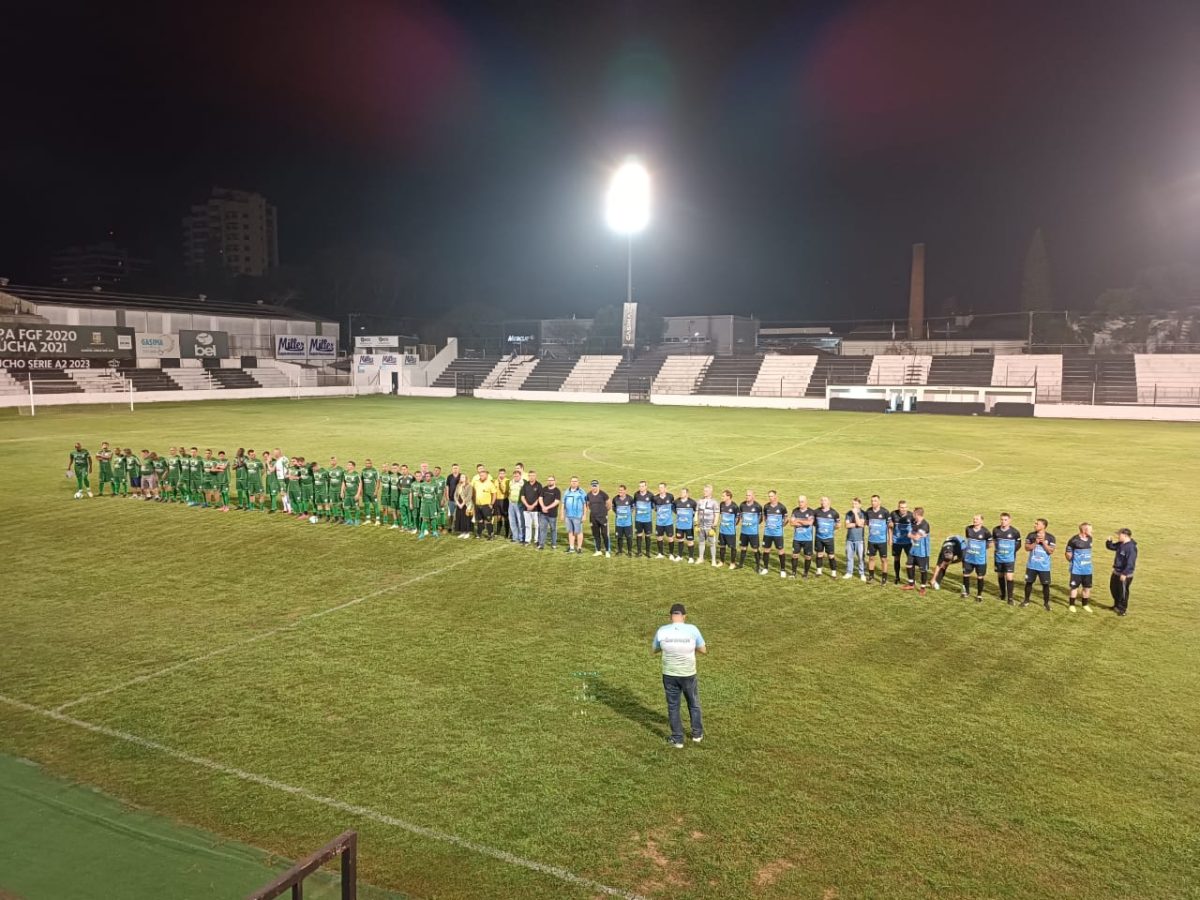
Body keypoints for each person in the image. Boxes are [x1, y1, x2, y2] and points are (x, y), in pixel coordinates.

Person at [652, 603, 706, 749]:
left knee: (673, 706)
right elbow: (703, 649)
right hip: (688, 673)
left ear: (670, 617)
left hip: (669, 674)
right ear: (684, 616)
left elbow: (655, 649)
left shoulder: (662, 631)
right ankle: (697, 734)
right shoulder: (692, 629)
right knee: (693, 703)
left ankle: (677, 739)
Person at [1022, 518, 1056, 611]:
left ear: (1043, 526)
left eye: (1037, 524)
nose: (1035, 525)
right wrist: (1035, 543)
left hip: (1044, 567)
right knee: (1028, 583)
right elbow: (1027, 548)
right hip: (1031, 565)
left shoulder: (1051, 537)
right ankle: (1026, 600)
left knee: (1045, 585)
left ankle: (1046, 604)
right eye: (1035, 523)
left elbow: (1050, 551)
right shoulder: (1031, 535)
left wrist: (1043, 543)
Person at [1105, 528, 1137, 616]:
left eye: (1119, 535)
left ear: (1125, 535)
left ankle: (1122, 609)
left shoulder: (1131, 548)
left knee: (1123, 592)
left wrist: (1124, 573)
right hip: (1116, 572)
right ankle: (1116, 605)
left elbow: (1131, 563)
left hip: (1124, 574)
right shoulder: (1121, 544)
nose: (1118, 536)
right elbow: (1112, 547)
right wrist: (1109, 542)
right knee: (1114, 589)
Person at [992, 512, 1021, 604]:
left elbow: (1019, 544)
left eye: (1005, 520)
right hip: (998, 558)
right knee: (1000, 575)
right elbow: (994, 541)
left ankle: (1010, 598)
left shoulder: (1015, 532)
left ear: (1009, 521)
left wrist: (1011, 552)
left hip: (1009, 559)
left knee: (1009, 577)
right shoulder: (996, 530)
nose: (1003, 522)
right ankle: (1003, 594)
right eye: (1002, 519)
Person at [961, 514, 992, 600]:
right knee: (966, 574)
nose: (975, 521)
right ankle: (966, 592)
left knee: (980, 577)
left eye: (977, 519)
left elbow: (990, 544)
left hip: (980, 559)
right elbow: (968, 540)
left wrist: (981, 549)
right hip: (968, 558)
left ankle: (979, 595)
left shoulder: (986, 532)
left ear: (981, 521)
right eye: (974, 519)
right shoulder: (968, 529)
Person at [1065, 522, 1095, 613]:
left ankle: (1085, 605)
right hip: (1076, 569)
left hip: (1088, 569)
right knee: (1074, 588)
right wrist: (1072, 561)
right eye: (1090, 529)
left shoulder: (1090, 539)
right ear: (1084, 530)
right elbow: (1068, 553)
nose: (1092, 531)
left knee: (1087, 588)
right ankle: (1072, 605)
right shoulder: (1074, 540)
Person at [761, 490, 788, 577]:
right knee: (766, 550)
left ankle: (783, 570)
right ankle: (765, 568)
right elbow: (765, 517)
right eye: (769, 496)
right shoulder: (766, 506)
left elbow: (786, 519)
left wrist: (781, 526)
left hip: (778, 534)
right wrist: (769, 525)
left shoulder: (782, 507)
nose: (770, 498)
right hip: (768, 533)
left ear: (776, 496)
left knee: (780, 550)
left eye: (772, 496)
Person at [905, 507, 932, 595]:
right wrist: (911, 534)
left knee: (922, 570)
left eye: (913, 514)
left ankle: (923, 587)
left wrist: (910, 535)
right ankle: (911, 584)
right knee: (909, 565)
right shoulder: (914, 522)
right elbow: (910, 533)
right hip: (913, 549)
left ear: (916, 514)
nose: (913, 515)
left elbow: (916, 536)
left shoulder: (925, 525)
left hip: (922, 551)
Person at [865, 495, 890, 584]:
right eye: (872, 501)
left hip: (882, 541)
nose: (873, 502)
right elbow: (867, 523)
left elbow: (889, 526)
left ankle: (884, 578)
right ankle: (871, 576)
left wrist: (890, 538)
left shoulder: (885, 512)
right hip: (871, 540)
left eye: (875, 501)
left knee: (884, 559)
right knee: (871, 558)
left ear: (879, 502)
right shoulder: (868, 511)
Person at [737, 489, 764, 573]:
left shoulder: (758, 506)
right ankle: (740, 564)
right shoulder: (742, 505)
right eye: (746, 495)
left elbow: (761, 519)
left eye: (749, 495)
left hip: (753, 533)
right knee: (743, 548)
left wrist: (753, 525)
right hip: (744, 532)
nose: (747, 497)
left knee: (755, 549)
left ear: (753, 496)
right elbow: (740, 515)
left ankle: (758, 566)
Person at [889, 500, 914, 587]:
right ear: (898, 507)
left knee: (910, 560)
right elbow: (890, 527)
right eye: (901, 507)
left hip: (908, 542)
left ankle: (911, 579)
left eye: (904, 507)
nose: (903, 509)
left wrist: (914, 539)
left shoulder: (911, 515)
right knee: (896, 559)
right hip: (897, 542)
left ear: (907, 507)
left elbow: (915, 528)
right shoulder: (893, 514)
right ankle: (897, 577)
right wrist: (890, 539)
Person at [789, 495, 815, 578]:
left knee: (807, 557)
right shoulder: (795, 511)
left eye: (802, 501)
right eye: (799, 501)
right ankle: (793, 573)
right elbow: (792, 523)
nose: (800, 503)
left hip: (807, 539)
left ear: (806, 502)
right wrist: (803, 521)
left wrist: (798, 520)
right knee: (794, 555)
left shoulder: (811, 512)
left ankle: (805, 573)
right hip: (797, 538)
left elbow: (809, 523)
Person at [814, 496, 840, 577]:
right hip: (819, 537)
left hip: (829, 538)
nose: (822, 502)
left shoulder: (834, 513)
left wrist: (831, 530)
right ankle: (819, 571)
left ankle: (833, 572)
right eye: (821, 500)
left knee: (831, 555)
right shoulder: (816, 511)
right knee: (819, 554)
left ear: (829, 502)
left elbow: (838, 524)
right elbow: (813, 522)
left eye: (824, 500)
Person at [696, 484, 720, 568]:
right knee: (701, 542)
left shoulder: (714, 502)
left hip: (710, 527)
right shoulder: (699, 501)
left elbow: (717, 515)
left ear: (710, 492)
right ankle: (701, 558)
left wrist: (714, 526)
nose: (704, 492)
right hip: (701, 526)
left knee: (712, 544)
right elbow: (697, 512)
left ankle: (713, 560)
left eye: (706, 491)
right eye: (704, 490)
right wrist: (696, 524)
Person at [672, 486, 698, 563]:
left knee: (690, 541)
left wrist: (692, 517)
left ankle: (691, 557)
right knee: (680, 540)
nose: (681, 494)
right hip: (679, 525)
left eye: (683, 492)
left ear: (687, 494)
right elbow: (673, 507)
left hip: (689, 526)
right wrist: (677, 513)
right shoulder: (676, 501)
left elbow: (696, 511)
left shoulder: (692, 502)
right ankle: (679, 556)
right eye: (681, 492)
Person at [562, 476, 587, 554]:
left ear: (578, 483)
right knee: (570, 532)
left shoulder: (581, 492)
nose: (574, 482)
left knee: (578, 532)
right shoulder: (567, 491)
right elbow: (563, 503)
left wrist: (584, 515)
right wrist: (562, 514)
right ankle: (572, 547)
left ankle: (579, 548)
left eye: (575, 481)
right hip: (568, 515)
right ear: (570, 482)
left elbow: (585, 504)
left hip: (578, 516)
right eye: (572, 481)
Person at [843, 498, 866, 581]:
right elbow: (847, 525)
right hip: (849, 539)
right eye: (853, 504)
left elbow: (861, 524)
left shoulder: (863, 513)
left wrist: (856, 514)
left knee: (860, 557)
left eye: (856, 504)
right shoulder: (848, 513)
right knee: (849, 557)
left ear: (860, 505)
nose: (854, 505)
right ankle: (849, 572)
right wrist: (857, 523)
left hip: (860, 540)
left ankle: (862, 573)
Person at [472, 467, 498, 540]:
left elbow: (494, 494)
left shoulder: (490, 483)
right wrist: (474, 502)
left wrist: (491, 504)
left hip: (486, 506)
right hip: (477, 505)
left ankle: (491, 534)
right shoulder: (476, 482)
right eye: (480, 475)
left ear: (486, 475)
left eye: (483, 475)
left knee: (488, 520)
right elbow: (474, 492)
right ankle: (479, 534)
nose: (481, 476)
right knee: (479, 520)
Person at [587, 480, 611, 556]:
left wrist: (605, 512)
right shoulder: (589, 494)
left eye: (595, 486)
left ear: (598, 486)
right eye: (593, 486)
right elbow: (587, 504)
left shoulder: (603, 494)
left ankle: (607, 551)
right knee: (596, 534)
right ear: (591, 486)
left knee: (604, 534)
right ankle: (598, 550)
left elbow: (609, 503)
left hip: (602, 517)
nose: (594, 488)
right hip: (593, 518)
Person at [652, 482, 676, 559]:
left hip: (669, 522)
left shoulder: (670, 496)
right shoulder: (655, 498)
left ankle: (671, 554)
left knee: (670, 538)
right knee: (659, 537)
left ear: (665, 488)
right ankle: (660, 553)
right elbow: (655, 508)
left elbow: (673, 506)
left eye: (662, 488)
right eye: (659, 488)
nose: (660, 489)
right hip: (659, 522)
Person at [538, 475, 561, 550]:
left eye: (551, 480)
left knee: (553, 529)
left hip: (552, 514)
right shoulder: (544, 489)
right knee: (542, 529)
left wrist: (547, 507)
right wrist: (543, 507)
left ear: (554, 481)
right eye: (548, 480)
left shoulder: (557, 491)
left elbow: (556, 502)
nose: (549, 481)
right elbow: (540, 498)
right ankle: (541, 544)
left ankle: (554, 544)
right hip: (543, 514)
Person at [416, 471, 441, 538]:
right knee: (424, 519)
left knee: (433, 518)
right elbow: (419, 493)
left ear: (431, 477)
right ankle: (422, 533)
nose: (427, 477)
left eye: (429, 476)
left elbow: (436, 494)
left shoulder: (435, 485)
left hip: (432, 504)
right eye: (426, 476)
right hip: (425, 504)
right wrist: (419, 494)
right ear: (425, 477)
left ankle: (435, 532)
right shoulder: (422, 485)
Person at [612, 483, 635, 556]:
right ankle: (620, 551)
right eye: (619, 490)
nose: (620, 492)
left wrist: (627, 514)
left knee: (629, 537)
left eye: (621, 491)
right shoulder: (615, 499)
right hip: (619, 522)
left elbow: (633, 507)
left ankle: (629, 551)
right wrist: (619, 513)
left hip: (627, 523)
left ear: (625, 491)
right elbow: (614, 508)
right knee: (619, 537)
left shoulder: (630, 498)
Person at [521, 470, 542, 547]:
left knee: (536, 525)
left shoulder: (539, 485)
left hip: (536, 509)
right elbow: (522, 497)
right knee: (527, 525)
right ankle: (527, 540)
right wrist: (527, 505)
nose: (531, 477)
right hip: (526, 509)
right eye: (530, 475)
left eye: (533, 475)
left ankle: (536, 540)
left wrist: (532, 506)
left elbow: (540, 498)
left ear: (535, 476)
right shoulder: (525, 485)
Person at [717, 490, 738, 567]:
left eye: (723, 496)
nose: (722, 497)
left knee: (732, 547)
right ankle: (721, 562)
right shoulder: (721, 504)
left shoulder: (734, 506)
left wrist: (732, 525)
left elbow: (737, 517)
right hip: (722, 530)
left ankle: (732, 563)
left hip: (730, 532)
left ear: (728, 497)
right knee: (722, 546)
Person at [633, 480, 654, 557]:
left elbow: (653, 505)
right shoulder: (636, 494)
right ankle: (639, 552)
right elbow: (634, 504)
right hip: (638, 519)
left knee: (648, 535)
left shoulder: (650, 495)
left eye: (642, 486)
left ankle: (647, 552)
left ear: (646, 487)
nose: (640, 488)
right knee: (639, 535)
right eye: (639, 486)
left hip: (647, 520)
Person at [507, 466, 525, 543]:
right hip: (511, 503)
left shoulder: (523, 483)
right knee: (512, 521)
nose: (516, 477)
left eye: (517, 476)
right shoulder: (511, 482)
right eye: (514, 476)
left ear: (520, 476)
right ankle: (515, 537)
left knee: (520, 521)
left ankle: (521, 537)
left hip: (519, 504)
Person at [361, 459, 381, 525]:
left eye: (369, 463)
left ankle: (378, 520)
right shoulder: (363, 470)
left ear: (371, 464)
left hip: (372, 492)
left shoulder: (375, 471)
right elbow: (361, 481)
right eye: (366, 463)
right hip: (365, 492)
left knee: (375, 506)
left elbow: (378, 481)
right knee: (366, 505)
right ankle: (368, 519)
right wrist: (361, 490)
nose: (367, 465)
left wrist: (376, 491)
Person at [446, 463, 463, 533]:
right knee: (451, 514)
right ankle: (450, 527)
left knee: (460, 514)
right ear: (452, 469)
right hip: (451, 499)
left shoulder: (462, 476)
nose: (455, 469)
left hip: (460, 499)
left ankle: (458, 527)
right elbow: (447, 487)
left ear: (459, 469)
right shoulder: (449, 477)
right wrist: (447, 496)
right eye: (454, 468)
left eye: (456, 468)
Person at [494, 467, 510, 539]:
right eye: (500, 473)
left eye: (503, 473)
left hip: (504, 500)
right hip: (497, 501)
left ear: (505, 474)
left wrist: (500, 483)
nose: (501, 475)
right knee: (498, 517)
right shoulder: (495, 481)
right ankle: (498, 532)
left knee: (506, 517)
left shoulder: (507, 481)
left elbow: (504, 491)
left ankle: (507, 533)